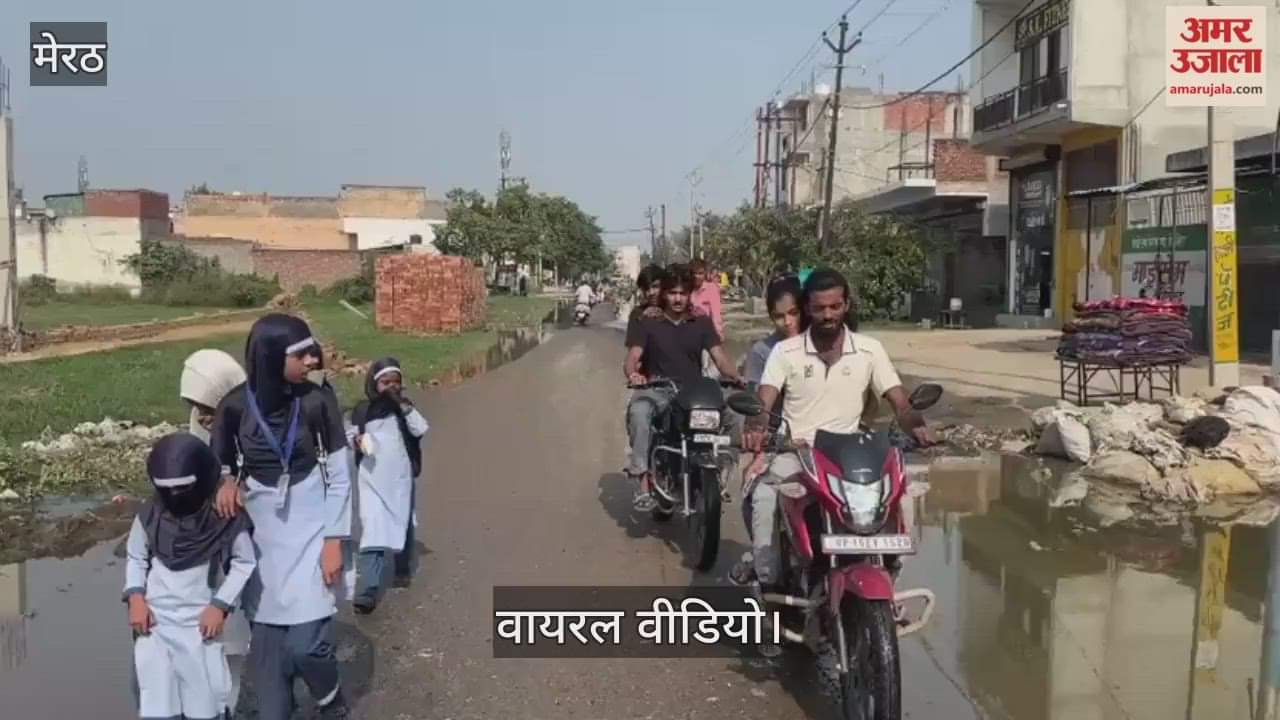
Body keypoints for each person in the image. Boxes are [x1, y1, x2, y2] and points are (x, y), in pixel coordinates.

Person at [736, 269, 935, 589]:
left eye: (835, 306)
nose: (828, 315)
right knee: (764, 496)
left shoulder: (870, 349)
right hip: (798, 451)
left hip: (852, 453)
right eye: (819, 308)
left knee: (902, 492)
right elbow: (764, 399)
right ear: (807, 308)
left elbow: (899, 400)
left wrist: (919, 426)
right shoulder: (784, 352)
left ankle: (891, 576)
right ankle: (768, 582)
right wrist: (755, 426)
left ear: (847, 305)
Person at [209, 313, 353, 720]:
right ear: (271, 357)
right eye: (301, 354)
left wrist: (333, 540)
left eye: (311, 352)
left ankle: (330, 697)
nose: (312, 361)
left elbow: (340, 478)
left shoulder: (317, 401)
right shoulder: (234, 407)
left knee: (308, 645)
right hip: (260, 538)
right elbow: (219, 464)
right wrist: (224, 482)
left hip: (311, 528)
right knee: (272, 696)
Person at [125, 432, 256, 720]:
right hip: (156, 623)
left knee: (206, 704)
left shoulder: (224, 514)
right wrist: (135, 597)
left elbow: (244, 562)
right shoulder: (150, 513)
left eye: (182, 488)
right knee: (157, 702)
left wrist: (220, 606)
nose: (175, 496)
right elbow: (136, 556)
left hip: (202, 625)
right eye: (167, 489)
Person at [624, 264, 743, 511]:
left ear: (690, 294)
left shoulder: (701, 322)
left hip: (695, 391)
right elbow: (633, 356)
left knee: (735, 412)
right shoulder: (648, 322)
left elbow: (720, 357)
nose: (678, 299)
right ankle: (642, 482)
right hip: (658, 389)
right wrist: (633, 374)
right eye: (672, 293)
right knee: (638, 412)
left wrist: (736, 377)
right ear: (664, 294)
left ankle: (722, 469)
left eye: (683, 293)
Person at [176, 348, 252, 714]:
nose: (202, 417)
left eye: (208, 408)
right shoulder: (197, 432)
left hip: (240, 545)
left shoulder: (252, 425)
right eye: (196, 408)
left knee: (232, 640)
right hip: (202, 552)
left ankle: (227, 707)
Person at [348, 357, 429, 615]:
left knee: (402, 524)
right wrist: (357, 440)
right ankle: (367, 591)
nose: (391, 387)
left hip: (400, 480)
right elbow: (351, 434)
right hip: (371, 480)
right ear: (374, 384)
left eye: (396, 382)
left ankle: (402, 568)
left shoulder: (404, 409)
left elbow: (420, 428)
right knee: (373, 531)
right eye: (385, 382)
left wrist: (403, 406)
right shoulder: (363, 410)